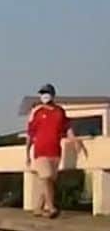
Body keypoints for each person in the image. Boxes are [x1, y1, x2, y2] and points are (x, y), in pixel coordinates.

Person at [26, 83, 82, 218]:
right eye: (42, 93)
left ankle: (38, 208)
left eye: (47, 93)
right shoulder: (37, 112)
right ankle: (50, 207)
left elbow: (67, 127)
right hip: (40, 151)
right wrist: (27, 153)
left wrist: (74, 140)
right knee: (46, 178)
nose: (44, 95)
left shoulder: (59, 111)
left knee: (50, 180)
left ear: (52, 95)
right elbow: (30, 134)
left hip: (55, 151)